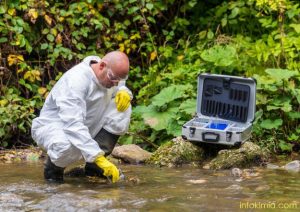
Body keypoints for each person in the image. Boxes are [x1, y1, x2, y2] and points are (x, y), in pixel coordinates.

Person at [31, 51, 132, 183]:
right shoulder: (76, 81)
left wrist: (124, 91)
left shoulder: (110, 75)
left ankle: (94, 167)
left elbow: (120, 84)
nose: (115, 83)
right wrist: (97, 156)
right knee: (66, 144)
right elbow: (73, 125)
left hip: (88, 124)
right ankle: (53, 171)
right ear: (102, 66)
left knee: (123, 107)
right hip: (56, 128)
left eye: (119, 80)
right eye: (113, 78)